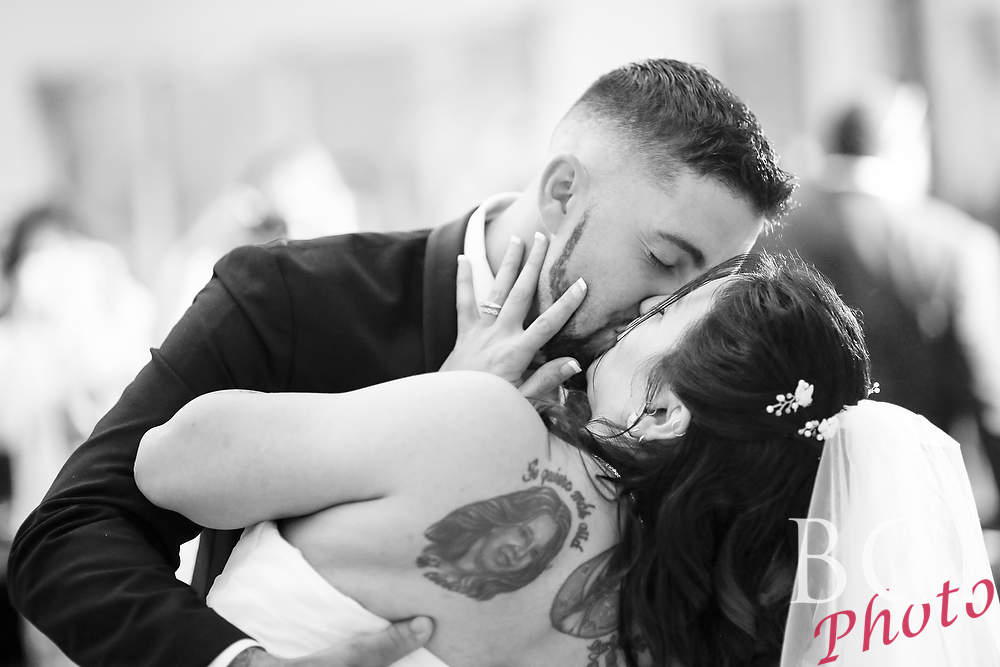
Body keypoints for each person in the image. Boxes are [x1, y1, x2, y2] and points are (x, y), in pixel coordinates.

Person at [7, 59, 794, 667]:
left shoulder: (666, 402)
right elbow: (67, 535)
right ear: (562, 191)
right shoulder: (289, 297)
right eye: (664, 260)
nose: (669, 311)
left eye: (702, 288)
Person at [135, 252, 1000, 666]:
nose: (633, 319)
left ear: (665, 410)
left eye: (662, 314)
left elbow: (171, 463)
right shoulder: (683, 641)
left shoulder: (482, 426)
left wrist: (446, 390)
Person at [767, 83, 1000, 516]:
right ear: (903, 148)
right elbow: (989, 399)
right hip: (920, 508)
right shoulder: (955, 248)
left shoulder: (768, 241)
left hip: (789, 511)